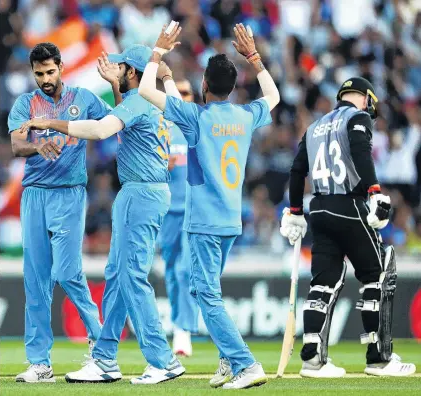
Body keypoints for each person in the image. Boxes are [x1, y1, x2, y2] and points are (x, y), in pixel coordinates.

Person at [20, 45, 185, 385]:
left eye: (122, 66)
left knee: (132, 278)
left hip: (141, 192)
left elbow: (99, 130)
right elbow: (125, 121)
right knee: (116, 275)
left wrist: (50, 121)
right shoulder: (149, 102)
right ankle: (105, 359)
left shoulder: (141, 101)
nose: (117, 69)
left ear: (135, 72)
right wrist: (123, 82)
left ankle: (163, 360)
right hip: (140, 192)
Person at [139, 22, 280, 389]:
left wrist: (157, 53)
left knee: (205, 294)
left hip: (202, 222)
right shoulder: (246, 115)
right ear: (232, 88)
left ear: (203, 86)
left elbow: (143, 89)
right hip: (231, 221)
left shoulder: (195, 117)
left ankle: (245, 364)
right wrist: (255, 58)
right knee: (210, 291)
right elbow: (275, 97)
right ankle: (225, 362)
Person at [280, 77, 417, 378]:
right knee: (378, 275)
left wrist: (294, 212)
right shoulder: (358, 117)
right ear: (366, 98)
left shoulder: (314, 127)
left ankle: (313, 360)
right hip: (349, 206)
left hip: (319, 209)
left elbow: (296, 170)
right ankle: (379, 358)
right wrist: (375, 191)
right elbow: (359, 151)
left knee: (323, 282)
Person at [8, 42, 109, 383]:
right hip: (34, 195)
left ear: (61, 67)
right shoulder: (26, 103)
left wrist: (113, 85)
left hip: (69, 194)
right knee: (35, 282)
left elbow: (115, 119)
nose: (46, 79)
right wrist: (37, 144)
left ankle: (102, 347)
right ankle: (40, 363)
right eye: (39, 74)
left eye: (50, 72)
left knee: (67, 272)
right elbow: (17, 145)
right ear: (32, 72)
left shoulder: (83, 99)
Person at [159, 78, 200, 357]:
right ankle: (178, 326)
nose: (181, 97)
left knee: (185, 269)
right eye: (178, 92)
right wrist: (161, 163)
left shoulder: (198, 126)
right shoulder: (160, 127)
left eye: (186, 93)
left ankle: (184, 330)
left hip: (193, 208)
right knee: (172, 272)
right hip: (167, 209)